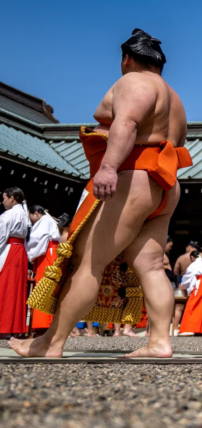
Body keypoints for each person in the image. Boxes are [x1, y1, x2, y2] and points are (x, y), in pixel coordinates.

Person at [13, 29, 192, 359]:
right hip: (165, 184)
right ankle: (159, 342)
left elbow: (126, 124)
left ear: (126, 59)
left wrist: (108, 167)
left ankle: (50, 343)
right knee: (152, 267)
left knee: (89, 263)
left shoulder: (134, 82)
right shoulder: (174, 98)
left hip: (133, 176)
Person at [26, 207, 63, 331]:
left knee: (43, 287)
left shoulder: (44, 221)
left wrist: (29, 255)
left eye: (30, 216)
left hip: (46, 254)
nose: (30, 220)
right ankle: (50, 323)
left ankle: (43, 324)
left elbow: (38, 241)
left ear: (36, 213)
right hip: (52, 252)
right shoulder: (48, 220)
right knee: (51, 288)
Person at [0, 188, 30, 338]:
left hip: (9, 250)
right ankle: (13, 327)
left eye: (4, 198)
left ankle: (3, 327)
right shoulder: (24, 214)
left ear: (12, 198)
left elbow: (1, 237)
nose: (3, 202)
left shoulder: (8, 214)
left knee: (4, 288)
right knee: (16, 290)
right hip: (20, 252)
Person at [172, 239, 199, 334]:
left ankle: (174, 328)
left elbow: (175, 271)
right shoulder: (200, 258)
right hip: (196, 283)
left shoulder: (181, 257)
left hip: (182, 282)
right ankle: (191, 328)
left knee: (178, 307)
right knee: (194, 306)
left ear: (189, 247)